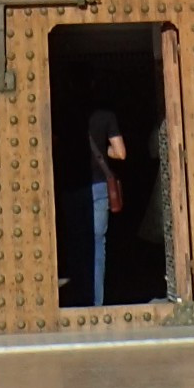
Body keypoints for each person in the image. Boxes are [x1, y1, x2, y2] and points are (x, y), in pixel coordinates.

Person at [86, 109, 126, 307]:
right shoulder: (106, 116)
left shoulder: (64, 113)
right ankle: (97, 302)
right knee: (97, 244)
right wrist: (103, 150)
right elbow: (120, 153)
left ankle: (78, 297)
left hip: (73, 187)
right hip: (99, 188)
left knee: (76, 243)